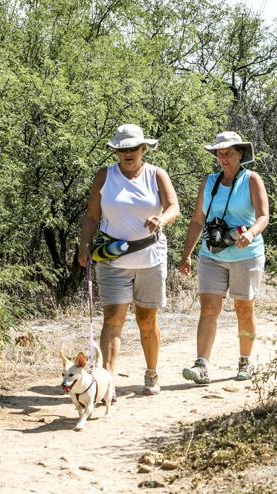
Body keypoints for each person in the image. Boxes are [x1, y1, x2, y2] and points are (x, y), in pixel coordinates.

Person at [78, 124, 180, 396]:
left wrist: (162, 219)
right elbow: (91, 216)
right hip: (113, 258)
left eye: (133, 148)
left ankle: (151, 373)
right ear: (116, 152)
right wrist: (84, 246)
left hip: (150, 257)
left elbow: (174, 207)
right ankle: (106, 382)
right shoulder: (104, 176)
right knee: (112, 320)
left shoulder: (156, 174)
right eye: (122, 149)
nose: (128, 153)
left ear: (143, 148)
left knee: (147, 319)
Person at [179, 131, 269, 383]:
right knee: (208, 308)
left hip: (245, 254)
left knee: (243, 308)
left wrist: (250, 233)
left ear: (240, 154)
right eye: (220, 153)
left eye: (229, 153)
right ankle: (201, 365)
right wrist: (186, 255)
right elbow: (198, 220)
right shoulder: (209, 182)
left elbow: (264, 216)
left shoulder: (252, 180)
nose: (224, 158)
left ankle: (245, 361)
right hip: (212, 253)